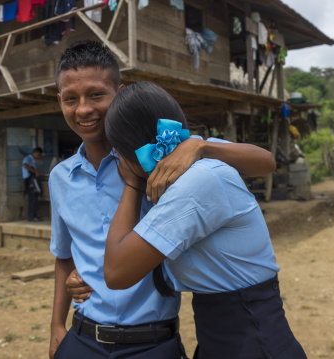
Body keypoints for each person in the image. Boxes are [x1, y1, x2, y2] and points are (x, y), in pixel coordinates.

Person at [48, 40, 276, 359]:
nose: (83, 109)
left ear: (120, 92)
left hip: (153, 339)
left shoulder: (163, 161)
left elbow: (264, 162)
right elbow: (64, 253)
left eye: (96, 94)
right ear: (60, 102)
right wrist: (57, 324)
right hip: (83, 334)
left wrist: (200, 146)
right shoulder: (60, 178)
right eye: (71, 99)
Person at [103, 81, 306, 359]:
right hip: (230, 334)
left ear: (127, 152)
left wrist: (131, 182)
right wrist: (202, 146)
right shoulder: (197, 161)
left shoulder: (199, 178)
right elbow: (268, 163)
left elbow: (116, 273)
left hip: (250, 341)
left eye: (116, 151)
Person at [22, 147, 43, 222]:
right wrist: (35, 171)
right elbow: (25, 166)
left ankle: (34, 215)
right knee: (32, 198)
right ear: (36, 153)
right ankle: (31, 216)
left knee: (34, 198)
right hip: (29, 180)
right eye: (38, 155)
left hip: (32, 180)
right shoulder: (28, 158)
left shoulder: (33, 160)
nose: (38, 157)